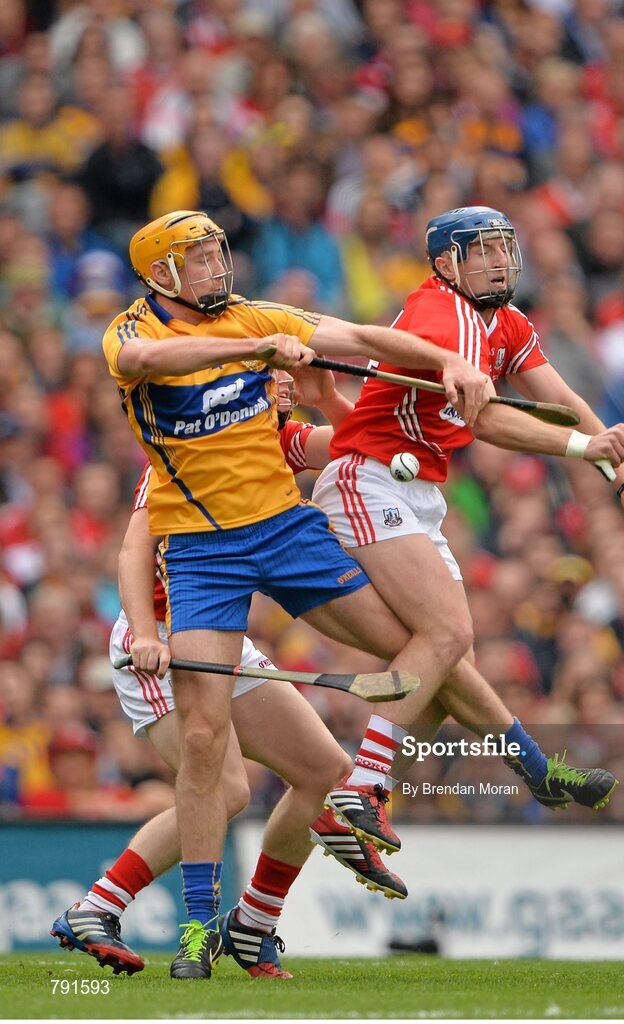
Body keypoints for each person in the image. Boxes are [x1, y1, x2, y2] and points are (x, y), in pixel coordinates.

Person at [101, 209, 492, 980]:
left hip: (285, 537)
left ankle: (511, 759)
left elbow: (366, 341)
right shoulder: (130, 331)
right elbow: (149, 360)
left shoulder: (264, 331)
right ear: (162, 275)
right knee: (209, 745)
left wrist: (448, 363)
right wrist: (258, 347)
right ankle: (194, 932)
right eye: (200, 258)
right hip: (201, 556)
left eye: (218, 253)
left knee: (421, 651)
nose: (219, 267)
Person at [307, 206, 624, 854]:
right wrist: (588, 451)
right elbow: (490, 423)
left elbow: (565, 406)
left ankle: (534, 771)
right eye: (482, 251)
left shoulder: (507, 322)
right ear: (447, 264)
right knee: (446, 636)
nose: (499, 260)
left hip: (415, 491)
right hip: (368, 479)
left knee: (450, 673)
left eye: (503, 247)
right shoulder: (447, 319)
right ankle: (360, 787)